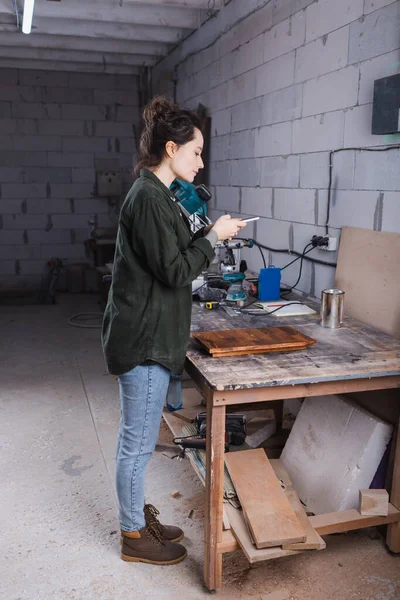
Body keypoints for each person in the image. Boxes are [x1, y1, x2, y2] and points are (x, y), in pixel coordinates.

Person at [101, 96, 246, 566]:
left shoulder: (160, 195)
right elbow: (173, 270)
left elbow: (174, 249)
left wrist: (210, 232)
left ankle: (137, 519)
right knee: (137, 444)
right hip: (143, 341)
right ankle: (131, 535)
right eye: (196, 152)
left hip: (151, 334)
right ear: (170, 148)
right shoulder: (146, 197)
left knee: (138, 440)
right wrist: (212, 239)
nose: (201, 163)